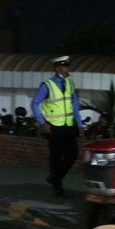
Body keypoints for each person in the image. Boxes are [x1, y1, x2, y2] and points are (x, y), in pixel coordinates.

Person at [31, 55, 84, 197]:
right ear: (58, 68)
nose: (68, 69)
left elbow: (74, 104)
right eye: (66, 67)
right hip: (54, 127)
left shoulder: (70, 83)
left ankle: (54, 178)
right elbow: (35, 103)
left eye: (68, 66)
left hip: (69, 126)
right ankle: (57, 187)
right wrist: (42, 123)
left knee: (73, 155)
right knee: (55, 158)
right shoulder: (47, 85)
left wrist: (79, 124)